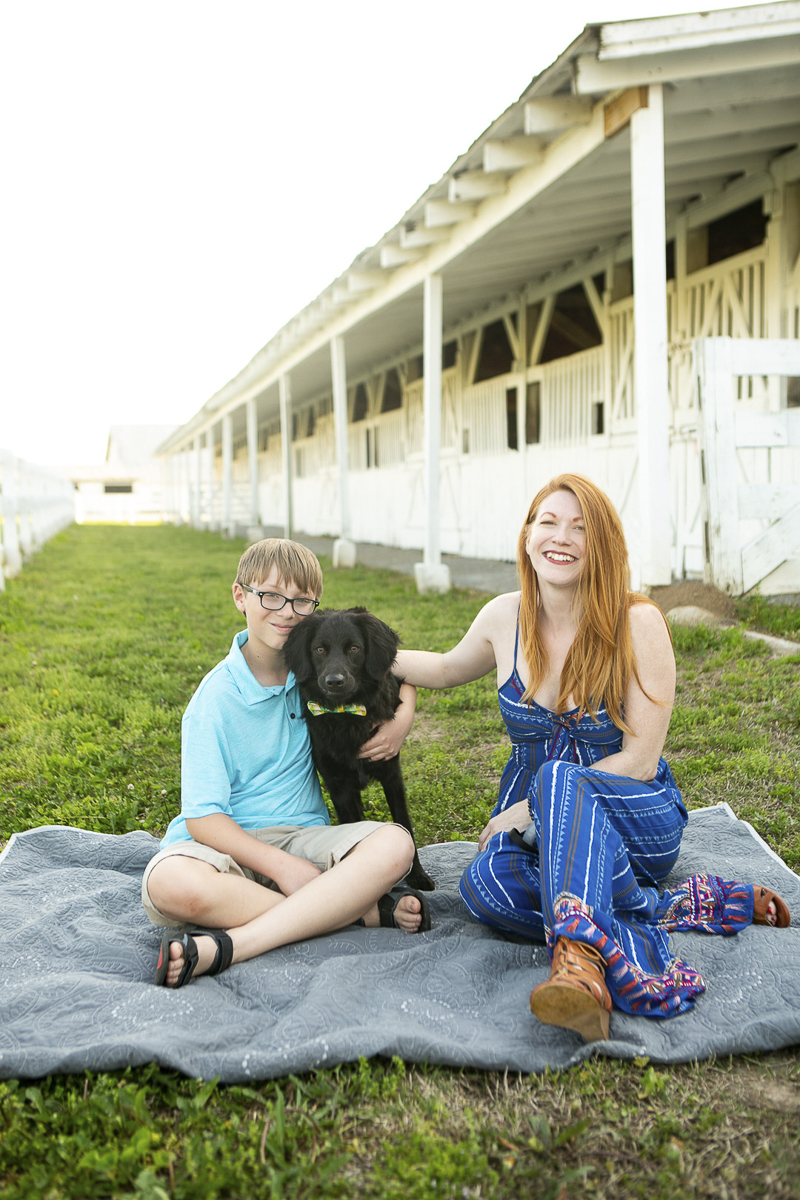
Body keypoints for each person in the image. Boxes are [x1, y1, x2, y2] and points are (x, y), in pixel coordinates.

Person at [395, 474, 789, 1042]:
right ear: (528, 536)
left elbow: (642, 759)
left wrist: (530, 807)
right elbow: (438, 668)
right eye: (548, 522)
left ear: (601, 543)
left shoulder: (637, 621)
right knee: (484, 887)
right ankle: (662, 906)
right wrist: (355, 651)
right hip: (545, 836)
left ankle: (579, 966)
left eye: (580, 528)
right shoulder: (504, 616)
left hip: (635, 819)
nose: (561, 537)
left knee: (559, 777)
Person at [144, 537, 429, 989]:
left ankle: (238, 937)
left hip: (303, 836)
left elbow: (405, 666)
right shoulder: (212, 702)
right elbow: (201, 818)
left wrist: (404, 717)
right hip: (224, 844)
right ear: (240, 596)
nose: (286, 611)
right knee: (170, 884)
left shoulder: (315, 673)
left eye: (301, 600)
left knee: (396, 846)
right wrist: (280, 868)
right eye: (270, 596)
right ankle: (352, 913)